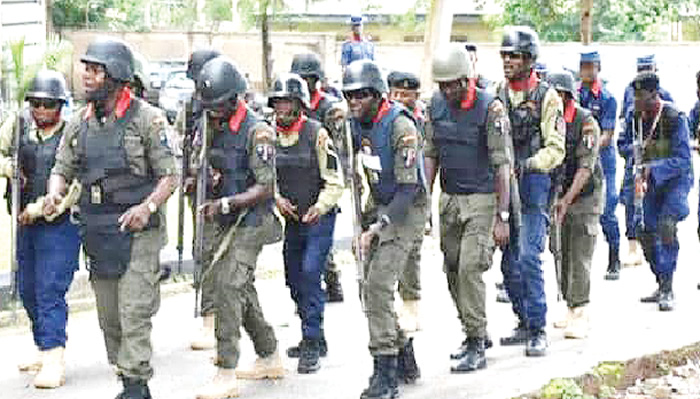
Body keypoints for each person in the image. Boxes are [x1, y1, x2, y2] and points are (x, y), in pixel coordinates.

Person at [45, 37, 177, 399]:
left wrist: (147, 207)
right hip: (99, 232)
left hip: (139, 231)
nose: (86, 76)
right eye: (85, 68)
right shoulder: (78, 124)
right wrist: (55, 192)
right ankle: (129, 379)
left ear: (116, 76)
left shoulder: (148, 120)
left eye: (95, 70)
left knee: (134, 311)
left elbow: (170, 175)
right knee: (110, 318)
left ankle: (136, 385)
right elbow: (62, 168)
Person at [193, 56, 284, 399]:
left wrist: (227, 203)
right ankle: (269, 352)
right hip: (223, 216)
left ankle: (225, 370)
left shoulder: (258, 131)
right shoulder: (209, 123)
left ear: (235, 100)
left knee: (230, 287)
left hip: (253, 219)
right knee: (240, 289)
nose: (212, 112)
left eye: (217, 106)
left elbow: (266, 186)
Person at [425, 43, 511, 372]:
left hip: (483, 198)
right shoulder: (436, 104)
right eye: (441, 85)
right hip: (449, 198)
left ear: (466, 79)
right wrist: (425, 198)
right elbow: (431, 153)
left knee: (470, 268)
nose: (446, 90)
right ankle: (473, 330)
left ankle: (477, 342)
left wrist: (502, 217)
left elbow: (502, 165)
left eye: (452, 84)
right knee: (451, 268)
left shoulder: (491, 109)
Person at [343, 59, 424, 398]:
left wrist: (376, 228)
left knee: (378, 285)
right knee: (367, 286)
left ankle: (385, 373)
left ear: (377, 95)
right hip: (378, 203)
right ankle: (404, 353)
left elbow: (408, 189)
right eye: (349, 96)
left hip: (405, 210)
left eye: (361, 95)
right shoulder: (355, 124)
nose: (354, 102)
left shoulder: (400, 127)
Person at [0, 70, 80, 389]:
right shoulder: (19, 125)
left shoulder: (72, 133)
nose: (41, 111)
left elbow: (76, 183)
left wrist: (41, 209)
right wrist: (8, 167)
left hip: (59, 225)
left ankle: (54, 356)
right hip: (24, 223)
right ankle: (42, 344)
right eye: (35, 103)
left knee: (49, 289)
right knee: (29, 289)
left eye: (48, 104)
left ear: (60, 106)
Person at [497, 26, 565, 357]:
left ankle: (538, 328)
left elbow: (556, 148)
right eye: (505, 55)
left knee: (528, 257)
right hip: (503, 186)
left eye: (515, 56)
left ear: (529, 59)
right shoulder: (498, 93)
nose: (508, 61)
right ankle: (523, 320)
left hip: (533, 184)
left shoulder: (547, 97)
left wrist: (527, 165)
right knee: (508, 264)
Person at [269, 73, 344, 373]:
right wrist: (276, 199)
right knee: (293, 276)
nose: (282, 109)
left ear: (299, 104)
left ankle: (312, 339)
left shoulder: (317, 134)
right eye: (278, 103)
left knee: (312, 272)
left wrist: (320, 207)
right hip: (293, 219)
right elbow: (265, 177)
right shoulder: (269, 135)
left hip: (319, 217)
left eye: (287, 102)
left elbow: (335, 181)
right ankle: (312, 332)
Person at [618, 72, 693, 312]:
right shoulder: (634, 116)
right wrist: (634, 150)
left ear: (654, 94)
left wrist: (655, 167)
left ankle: (668, 287)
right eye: (634, 95)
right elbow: (621, 145)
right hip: (648, 181)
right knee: (643, 229)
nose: (636, 101)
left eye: (640, 96)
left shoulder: (674, 117)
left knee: (667, 225)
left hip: (675, 181)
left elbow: (683, 160)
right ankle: (661, 280)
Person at [548, 70, 603, 339]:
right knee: (559, 248)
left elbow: (586, 166)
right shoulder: (546, 120)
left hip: (584, 195)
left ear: (569, 96)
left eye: (559, 94)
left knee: (580, 250)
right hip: (557, 194)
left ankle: (580, 310)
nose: (555, 99)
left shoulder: (585, 122)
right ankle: (568, 302)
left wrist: (567, 200)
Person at [175, 48, 224, 352]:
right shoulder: (191, 109)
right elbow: (184, 143)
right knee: (204, 251)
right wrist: (190, 175)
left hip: (227, 193)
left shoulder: (230, 105)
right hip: (200, 191)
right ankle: (211, 315)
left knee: (222, 256)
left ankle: (216, 318)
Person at [289, 52, 346, 303]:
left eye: (307, 78)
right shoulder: (291, 104)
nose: (303, 82)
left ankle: (329, 283)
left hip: (324, 173)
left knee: (319, 239)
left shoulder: (328, 108)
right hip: (300, 175)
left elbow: (339, 148)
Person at [618, 56, 675, 268]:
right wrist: (633, 154)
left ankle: (661, 260)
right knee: (630, 202)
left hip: (660, 164)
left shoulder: (667, 101)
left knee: (661, 215)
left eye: (647, 69)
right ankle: (634, 249)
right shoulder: (629, 96)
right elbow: (623, 136)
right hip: (636, 162)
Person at [387, 70, 427, 332]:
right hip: (389, 192)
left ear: (417, 96)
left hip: (415, 195)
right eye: (396, 93)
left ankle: (411, 303)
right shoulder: (388, 120)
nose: (400, 98)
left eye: (406, 94)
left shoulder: (424, 121)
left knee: (411, 251)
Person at [578, 50, 621, 280]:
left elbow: (607, 134)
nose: (586, 70)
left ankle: (615, 258)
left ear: (598, 67)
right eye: (582, 65)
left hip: (603, 161)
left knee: (607, 211)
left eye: (590, 66)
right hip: (580, 161)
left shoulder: (607, 98)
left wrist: (587, 147)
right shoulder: (574, 94)